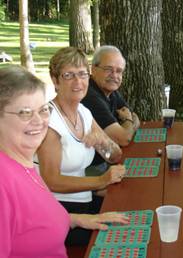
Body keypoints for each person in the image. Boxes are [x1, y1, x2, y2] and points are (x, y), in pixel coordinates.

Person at [0, 66, 128, 257]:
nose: (39, 121)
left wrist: (76, 219)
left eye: (43, 110)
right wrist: (101, 181)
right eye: (25, 112)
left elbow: (33, 219)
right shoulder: (4, 180)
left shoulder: (24, 166)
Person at [36, 47, 126, 246]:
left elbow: (115, 156)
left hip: (82, 201)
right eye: (69, 75)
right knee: (116, 239)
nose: (78, 82)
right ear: (55, 80)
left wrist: (103, 142)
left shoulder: (83, 112)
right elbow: (52, 181)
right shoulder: (50, 120)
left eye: (82, 74)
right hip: (56, 212)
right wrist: (101, 180)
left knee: (130, 216)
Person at [81, 45, 140, 167]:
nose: (114, 75)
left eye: (119, 71)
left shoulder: (110, 90)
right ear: (94, 69)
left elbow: (136, 117)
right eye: (108, 69)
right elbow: (124, 139)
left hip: (111, 158)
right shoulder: (90, 96)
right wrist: (128, 120)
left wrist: (128, 124)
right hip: (92, 168)